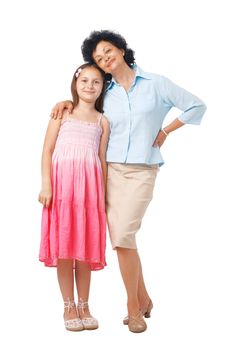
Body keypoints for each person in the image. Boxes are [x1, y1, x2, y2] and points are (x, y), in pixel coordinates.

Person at [51, 30, 207, 333]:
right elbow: (85, 105)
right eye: (98, 58)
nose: (105, 59)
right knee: (124, 241)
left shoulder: (156, 84)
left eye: (108, 51)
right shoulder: (104, 90)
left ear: (121, 49)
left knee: (122, 235)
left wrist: (166, 131)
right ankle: (145, 297)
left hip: (141, 171)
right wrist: (64, 101)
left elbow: (197, 105)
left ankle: (132, 309)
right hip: (107, 172)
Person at [38, 63, 110, 331]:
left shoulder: (103, 121)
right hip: (62, 190)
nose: (90, 86)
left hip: (89, 193)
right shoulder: (62, 114)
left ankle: (85, 304)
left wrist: (102, 195)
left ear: (103, 88)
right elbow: (46, 151)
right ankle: (68, 306)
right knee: (65, 248)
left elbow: (101, 160)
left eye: (96, 82)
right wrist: (46, 185)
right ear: (75, 83)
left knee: (84, 249)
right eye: (85, 81)